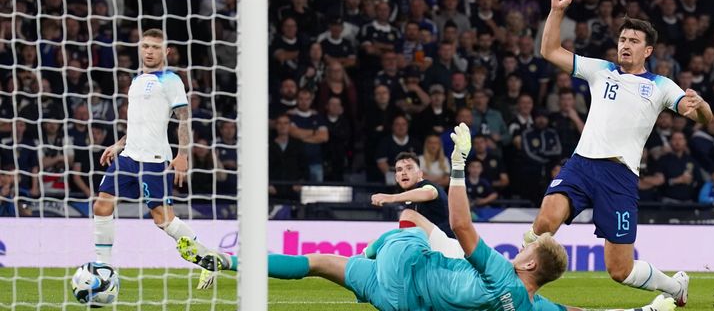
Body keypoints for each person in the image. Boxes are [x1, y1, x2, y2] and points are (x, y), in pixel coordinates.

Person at [178, 123, 677, 311]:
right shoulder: (530, 308)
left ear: (528, 264)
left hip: (406, 267)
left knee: (336, 254)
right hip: (400, 301)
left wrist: (458, 166)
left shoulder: (503, 272)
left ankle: (227, 264)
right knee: (328, 263)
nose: (522, 243)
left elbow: (462, 229)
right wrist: (647, 310)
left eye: (527, 247)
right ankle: (228, 267)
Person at [532, 0, 714, 307]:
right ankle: (514, 289)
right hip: (581, 165)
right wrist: (557, 10)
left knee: (620, 270)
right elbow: (549, 51)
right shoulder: (601, 71)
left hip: (619, 176)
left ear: (648, 51)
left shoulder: (659, 86)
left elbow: (701, 118)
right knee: (546, 221)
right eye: (622, 39)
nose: (625, 45)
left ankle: (674, 288)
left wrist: (700, 106)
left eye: (633, 41)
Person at [92, 29, 216, 282]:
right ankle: (103, 267)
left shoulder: (171, 80)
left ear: (166, 51)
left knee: (163, 220)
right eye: (145, 46)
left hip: (154, 160)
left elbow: (183, 119)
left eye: (155, 47)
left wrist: (182, 155)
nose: (149, 51)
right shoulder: (137, 81)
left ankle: (208, 258)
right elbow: (139, 123)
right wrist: (118, 144)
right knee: (102, 205)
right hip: (128, 156)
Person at [370, 151, 452, 237]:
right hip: (427, 244)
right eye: (399, 170)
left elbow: (429, 193)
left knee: (408, 214)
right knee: (373, 243)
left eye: (409, 168)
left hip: (446, 241)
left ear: (420, 174)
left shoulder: (428, 185)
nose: (403, 173)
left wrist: (391, 198)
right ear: (396, 178)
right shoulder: (407, 200)